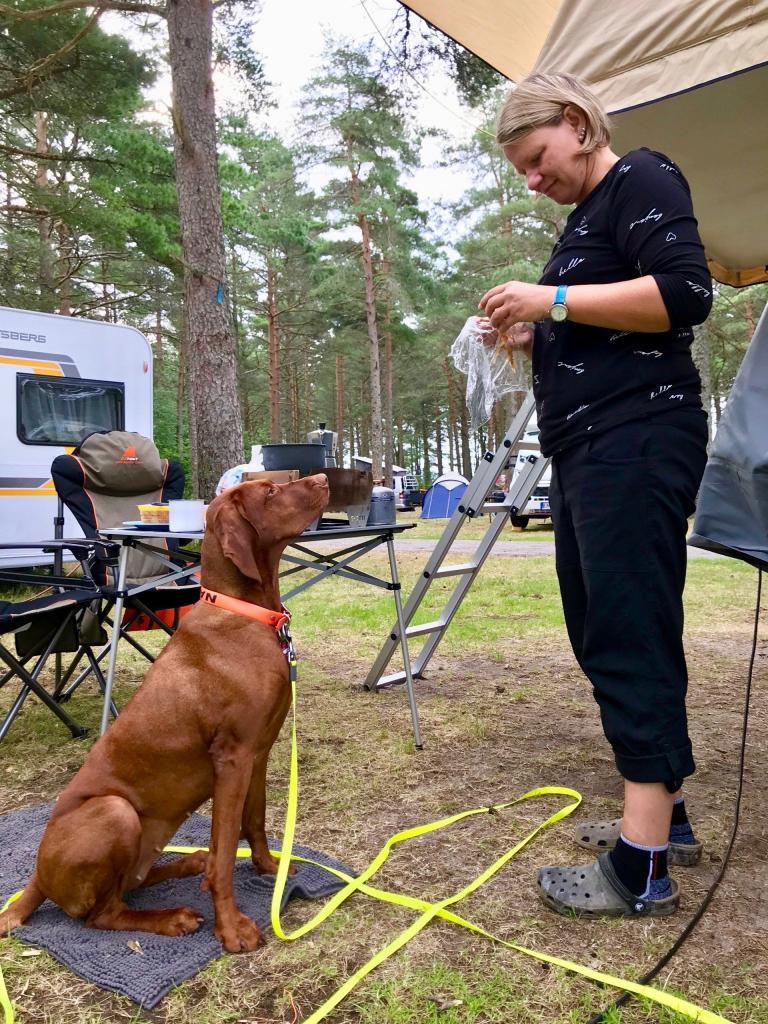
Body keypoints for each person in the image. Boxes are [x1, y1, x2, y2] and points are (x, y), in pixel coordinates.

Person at [479, 73, 712, 918]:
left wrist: (554, 298)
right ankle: (667, 814)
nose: (534, 181)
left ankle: (642, 865)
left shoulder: (640, 176)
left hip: (639, 436)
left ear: (576, 124)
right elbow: (598, 315)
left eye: (537, 160)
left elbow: (686, 294)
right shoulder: (585, 220)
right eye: (522, 174)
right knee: (601, 622)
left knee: (626, 626)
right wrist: (533, 329)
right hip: (590, 445)